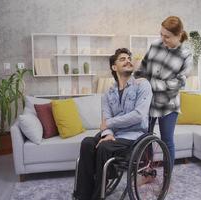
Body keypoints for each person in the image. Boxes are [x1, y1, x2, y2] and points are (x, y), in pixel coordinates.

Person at [73, 48, 153, 200]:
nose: (128, 60)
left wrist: (109, 124)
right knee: (87, 143)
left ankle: (97, 195)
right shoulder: (108, 94)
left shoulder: (142, 85)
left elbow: (138, 115)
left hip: (134, 135)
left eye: (129, 58)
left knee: (104, 147)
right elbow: (106, 118)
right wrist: (108, 133)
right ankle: (83, 195)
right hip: (114, 134)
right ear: (114, 67)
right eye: (122, 59)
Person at [135, 16, 193, 167]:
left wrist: (150, 83)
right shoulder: (155, 45)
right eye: (161, 34)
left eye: (167, 36)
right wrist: (138, 80)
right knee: (144, 138)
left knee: (167, 141)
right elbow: (142, 69)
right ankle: (147, 173)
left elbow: (178, 83)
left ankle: (167, 178)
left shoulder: (186, 56)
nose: (162, 38)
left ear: (179, 35)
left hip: (168, 105)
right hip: (147, 101)